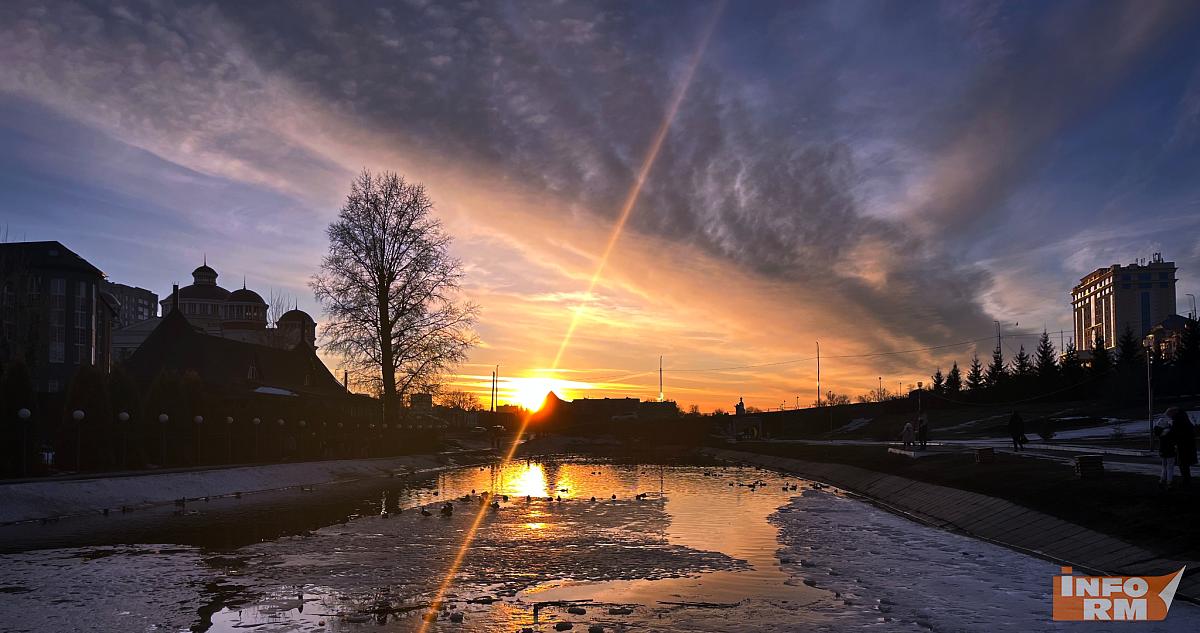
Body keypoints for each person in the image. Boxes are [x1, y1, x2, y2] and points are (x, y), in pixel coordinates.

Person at [1165, 407, 1195, 487]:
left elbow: (1176, 432)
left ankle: (1186, 481)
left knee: (1183, 464)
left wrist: (1170, 430)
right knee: (1184, 464)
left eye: (1169, 416)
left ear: (1172, 413)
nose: (1170, 418)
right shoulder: (1183, 418)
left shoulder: (1178, 421)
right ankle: (1186, 480)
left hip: (1183, 445)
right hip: (1187, 444)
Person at [1153, 415, 1175, 489]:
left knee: (1164, 467)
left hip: (1162, 451)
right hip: (1170, 451)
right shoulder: (1169, 432)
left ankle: (1162, 480)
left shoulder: (1159, 433)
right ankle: (1169, 482)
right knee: (1170, 467)